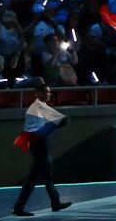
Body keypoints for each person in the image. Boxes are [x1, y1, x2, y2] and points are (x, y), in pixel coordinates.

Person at [13, 83, 71, 217]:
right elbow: (60, 120)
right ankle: (18, 207)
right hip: (38, 143)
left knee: (47, 174)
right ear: (38, 93)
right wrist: (62, 120)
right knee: (34, 176)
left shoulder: (39, 107)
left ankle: (55, 202)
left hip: (39, 142)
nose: (49, 94)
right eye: (46, 92)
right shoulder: (39, 107)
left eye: (50, 92)